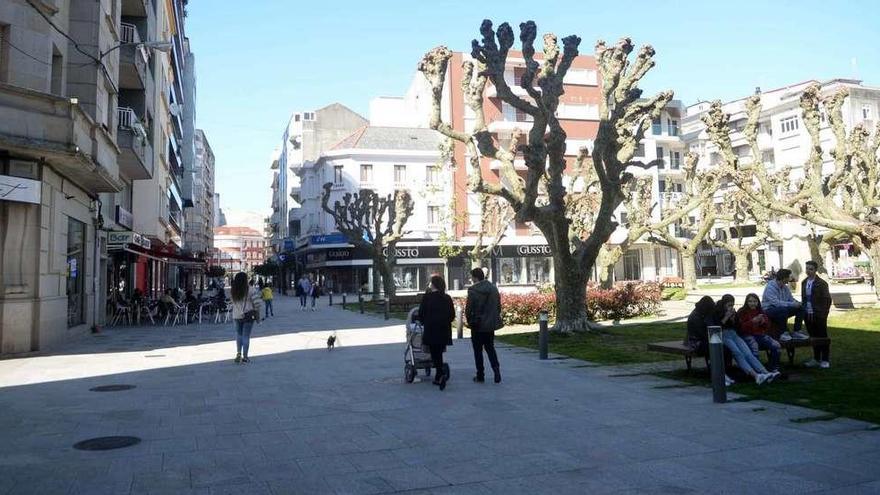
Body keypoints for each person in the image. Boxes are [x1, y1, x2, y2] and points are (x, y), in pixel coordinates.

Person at [713, 294, 778, 385]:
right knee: (738, 353)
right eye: (729, 305)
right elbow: (716, 327)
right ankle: (755, 376)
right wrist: (726, 317)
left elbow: (738, 327)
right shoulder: (717, 312)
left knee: (748, 353)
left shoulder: (734, 312)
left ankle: (765, 373)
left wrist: (733, 319)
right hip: (724, 335)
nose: (731, 307)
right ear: (724, 304)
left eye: (732, 305)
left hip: (734, 334)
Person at [417, 274, 455, 391]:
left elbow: (421, 313)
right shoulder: (447, 298)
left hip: (431, 329)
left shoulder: (427, 297)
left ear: (433, 285)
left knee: (435, 353)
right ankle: (439, 373)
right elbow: (452, 315)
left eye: (430, 282)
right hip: (443, 329)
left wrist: (423, 321)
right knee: (439, 352)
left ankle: (440, 374)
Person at [465, 268, 503, 383]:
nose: (471, 280)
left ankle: (480, 374)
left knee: (478, 351)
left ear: (475, 277)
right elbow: (498, 306)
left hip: (477, 324)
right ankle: (496, 371)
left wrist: (470, 320)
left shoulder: (473, 290)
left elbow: (469, 309)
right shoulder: (493, 288)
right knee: (490, 348)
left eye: (472, 277)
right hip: (489, 325)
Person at [736, 293, 781, 372]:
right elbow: (740, 328)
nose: (752, 303)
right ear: (746, 302)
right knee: (754, 347)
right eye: (750, 301)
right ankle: (756, 370)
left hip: (760, 335)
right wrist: (752, 321)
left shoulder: (760, 311)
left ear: (758, 302)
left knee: (776, 345)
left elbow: (767, 326)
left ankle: (773, 367)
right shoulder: (742, 312)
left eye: (755, 301)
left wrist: (763, 322)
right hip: (747, 335)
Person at [762, 268, 809, 342]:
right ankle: (782, 333)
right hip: (769, 310)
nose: (790, 279)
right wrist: (792, 304)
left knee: (801, 308)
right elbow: (776, 303)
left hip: (782, 308)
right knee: (782, 310)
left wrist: (797, 303)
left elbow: (790, 299)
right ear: (784, 278)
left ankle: (797, 331)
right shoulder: (770, 287)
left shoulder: (785, 287)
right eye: (789, 277)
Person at [801, 260, 832, 368]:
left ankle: (825, 359)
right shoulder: (804, 282)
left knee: (822, 337)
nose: (808, 271)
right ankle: (816, 358)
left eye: (811, 269)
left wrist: (823, 313)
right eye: (807, 268)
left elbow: (827, 299)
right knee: (813, 337)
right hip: (808, 314)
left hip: (819, 314)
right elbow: (804, 298)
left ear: (815, 270)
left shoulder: (822, 283)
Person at [231, 272, 262, 364]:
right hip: (248, 316)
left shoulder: (233, 290)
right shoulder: (251, 290)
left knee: (239, 335)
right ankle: (245, 357)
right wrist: (258, 317)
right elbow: (257, 304)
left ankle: (238, 353)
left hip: (236, 316)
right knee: (246, 336)